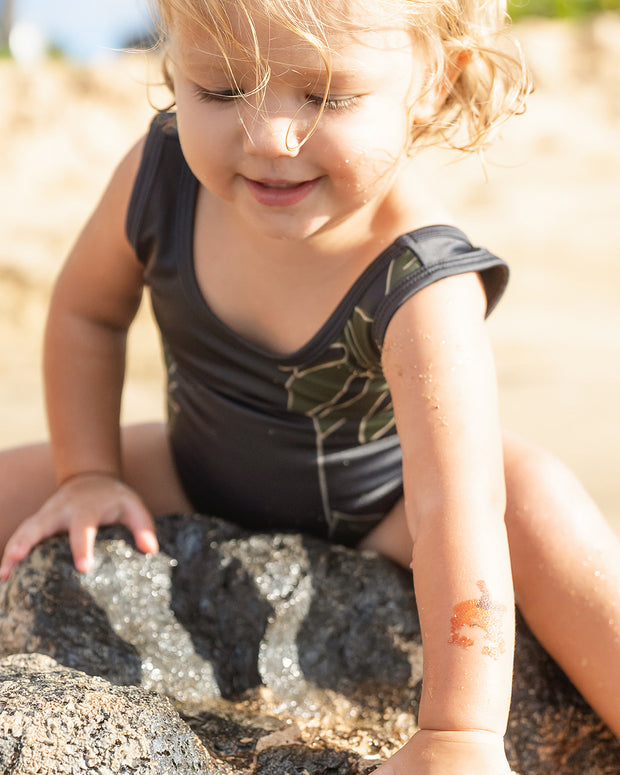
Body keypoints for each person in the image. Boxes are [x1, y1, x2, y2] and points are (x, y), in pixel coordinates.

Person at [0, 0, 619, 771]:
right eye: (221, 90)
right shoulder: (159, 175)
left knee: (540, 516)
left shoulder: (420, 281)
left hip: (388, 504)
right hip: (194, 468)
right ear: (172, 59)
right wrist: (86, 473)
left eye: (325, 97)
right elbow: (87, 314)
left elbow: (451, 510)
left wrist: (459, 729)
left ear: (431, 80)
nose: (267, 137)